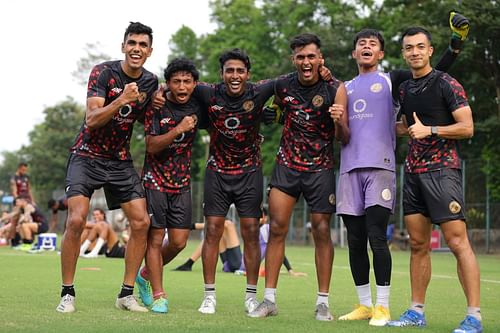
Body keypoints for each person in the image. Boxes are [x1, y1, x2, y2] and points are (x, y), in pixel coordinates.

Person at [337, 12, 469, 327]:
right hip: (347, 169)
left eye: (373, 44)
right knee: (355, 240)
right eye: (361, 44)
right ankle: (364, 305)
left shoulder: (392, 79)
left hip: (380, 167)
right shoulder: (343, 86)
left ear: (381, 54)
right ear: (354, 53)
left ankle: (383, 307)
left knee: (375, 237)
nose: (366, 47)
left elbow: (433, 74)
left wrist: (454, 47)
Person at [57, 21, 158, 314]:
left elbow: (146, 115)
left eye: (142, 45)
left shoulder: (150, 82)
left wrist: (158, 103)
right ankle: (67, 293)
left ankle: (126, 294)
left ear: (149, 51)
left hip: (119, 160)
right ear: (123, 46)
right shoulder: (103, 72)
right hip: (86, 155)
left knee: (141, 222)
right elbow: (92, 119)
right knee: (76, 220)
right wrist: (122, 98)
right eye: (132, 43)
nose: (136, 49)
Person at [386, 27, 482, 333]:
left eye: (420, 47)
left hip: (442, 171)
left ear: (430, 51)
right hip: (412, 173)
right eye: (408, 48)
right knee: (417, 245)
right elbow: (405, 125)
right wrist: (400, 129)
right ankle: (416, 312)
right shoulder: (403, 88)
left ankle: (474, 317)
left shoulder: (447, 82)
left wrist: (432, 130)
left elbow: (467, 127)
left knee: (457, 242)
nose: (414, 52)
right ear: (403, 53)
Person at [249, 33, 349, 321]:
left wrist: (338, 120)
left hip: (320, 169)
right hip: (287, 166)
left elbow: (344, 137)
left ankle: (323, 303)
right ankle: (269, 300)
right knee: (277, 228)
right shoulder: (282, 84)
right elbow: (254, 96)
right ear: (294, 60)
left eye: (311, 56)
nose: (306, 62)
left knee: (321, 230)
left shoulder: (336, 88)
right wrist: (272, 115)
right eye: (300, 57)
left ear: (320, 59)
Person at [134, 58, 202, 314]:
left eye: (187, 81)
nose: (182, 86)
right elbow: (151, 146)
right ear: (169, 84)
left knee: (179, 242)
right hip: (155, 181)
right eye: (176, 81)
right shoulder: (157, 106)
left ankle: (144, 274)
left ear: (194, 84)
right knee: (155, 239)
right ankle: (159, 295)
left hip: (182, 184)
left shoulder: (199, 103)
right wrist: (178, 129)